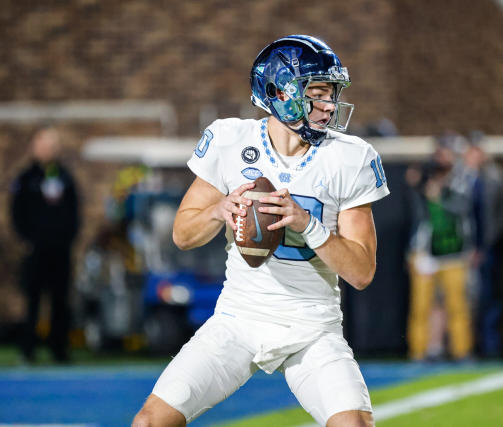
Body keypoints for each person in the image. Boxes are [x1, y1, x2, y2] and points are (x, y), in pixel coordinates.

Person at [132, 35, 389, 427]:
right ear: (278, 91)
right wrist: (218, 209)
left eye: (331, 94)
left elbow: (361, 272)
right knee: (150, 422)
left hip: (312, 326)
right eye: (317, 93)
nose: (329, 106)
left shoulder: (350, 157)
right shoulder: (230, 140)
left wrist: (308, 224)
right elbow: (182, 235)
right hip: (240, 317)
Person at [10, 126, 80, 363]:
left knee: (60, 302)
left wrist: (67, 239)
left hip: (60, 251)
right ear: (35, 147)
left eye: (53, 145)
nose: (49, 150)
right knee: (32, 301)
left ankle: (59, 349)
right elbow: (16, 212)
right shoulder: (26, 178)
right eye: (44, 145)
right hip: (36, 251)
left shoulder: (65, 177)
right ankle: (27, 350)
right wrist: (28, 240)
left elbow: (74, 212)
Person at [406, 143, 473, 362]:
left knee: (457, 307)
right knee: (421, 307)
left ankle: (462, 351)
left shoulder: (459, 184)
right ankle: (418, 352)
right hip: (427, 254)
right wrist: (414, 250)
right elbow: (416, 219)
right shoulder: (423, 185)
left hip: (454, 253)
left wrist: (439, 196)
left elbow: (463, 208)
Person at [464, 144, 503, 358]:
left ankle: (490, 346)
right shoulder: (459, 179)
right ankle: (466, 347)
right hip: (462, 250)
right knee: (465, 300)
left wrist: (488, 244)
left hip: (488, 249)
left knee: (490, 297)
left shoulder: (495, 179)